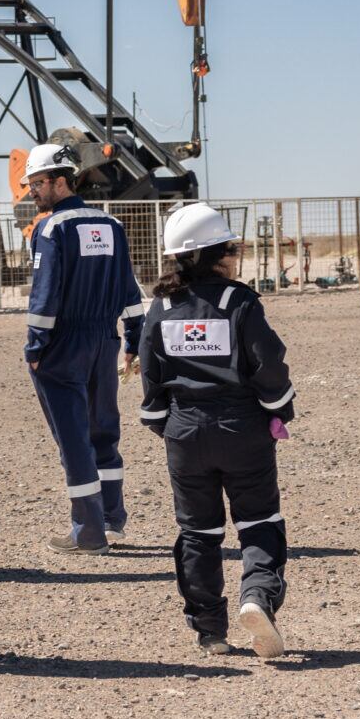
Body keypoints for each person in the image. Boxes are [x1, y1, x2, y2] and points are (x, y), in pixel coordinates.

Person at [136, 203, 294, 660]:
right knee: (259, 520)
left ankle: (210, 630)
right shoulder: (239, 301)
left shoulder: (161, 308)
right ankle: (257, 597)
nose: (236, 255)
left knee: (198, 532)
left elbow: (151, 377)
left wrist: (167, 423)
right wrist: (278, 410)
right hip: (241, 427)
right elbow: (269, 364)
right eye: (232, 247)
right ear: (217, 255)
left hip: (184, 431)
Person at [20, 142, 147, 551]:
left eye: (37, 183)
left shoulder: (52, 228)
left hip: (63, 343)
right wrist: (134, 337)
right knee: (103, 431)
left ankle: (88, 533)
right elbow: (128, 287)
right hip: (103, 338)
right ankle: (112, 521)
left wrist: (35, 348)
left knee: (74, 437)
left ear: (60, 181)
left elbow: (45, 294)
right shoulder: (111, 225)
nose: (31, 192)